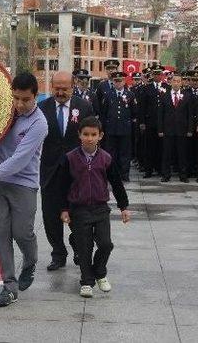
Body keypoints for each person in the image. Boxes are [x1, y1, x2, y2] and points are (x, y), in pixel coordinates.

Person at [0, 72, 48, 307]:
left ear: (36, 95)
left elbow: (20, 159)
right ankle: (9, 285)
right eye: (15, 98)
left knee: (22, 232)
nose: (20, 104)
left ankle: (30, 261)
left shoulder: (39, 123)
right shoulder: (2, 112)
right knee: (0, 233)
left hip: (23, 184)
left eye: (25, 99)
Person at [59, 116, 131, 298]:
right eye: (85, 134)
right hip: (79, 209)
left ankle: (100, 272)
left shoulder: (106, 158)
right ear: (79, 135)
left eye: (93, 134)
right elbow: (62, 185)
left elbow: (116, 183)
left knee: (106, 244)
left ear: (101, 136)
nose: (89, 138)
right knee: (85, 247)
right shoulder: (70, 158)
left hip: (100, 209)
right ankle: (87, 281)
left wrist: (124, 207)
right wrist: (64, 209)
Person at [39, 71, 93, 271]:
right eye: (57, 88)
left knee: (78, 214)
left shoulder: (84, 107)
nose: (60, 92)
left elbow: (91, 136)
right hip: (50, 170)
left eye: (65, 88)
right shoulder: (42, 108)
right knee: (50, 215)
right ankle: (58, 253)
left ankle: (79, 247)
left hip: (76, 171)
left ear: (73, 86)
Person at [157, 74, 194, 182]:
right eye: (174, 81)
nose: (176, 83)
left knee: (182, 154)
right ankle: (166, 175)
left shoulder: (187, 96)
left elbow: (190, 114)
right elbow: (160, 114)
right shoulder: (164, 95)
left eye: (178, 81)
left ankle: (183, 175)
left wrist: (190, 129)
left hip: (182, 130)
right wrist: (160, 129)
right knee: (167, 154)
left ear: (181, 83)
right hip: (168, 130)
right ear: (171, 82)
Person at [100, 71, 136, 181]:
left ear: (124, 81)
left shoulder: (130, 95)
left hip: (125, 129)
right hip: (111, 129)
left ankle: (125, 174)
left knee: (125, 152)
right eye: (115, 81)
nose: (118, 83)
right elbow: (104, 113)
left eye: (120, 81)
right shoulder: (108, 95)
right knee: (111, 153)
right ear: (113, 82)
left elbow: (134, 112)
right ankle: (112, 174)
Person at [138, 64, 165, 178]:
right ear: (152, 75)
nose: (158, 76)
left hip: (163, 123)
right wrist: (142, 122)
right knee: (149, 147)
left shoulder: (166, 87)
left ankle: (159, 169)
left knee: (162, 147)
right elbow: (142, 107)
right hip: (150, 122)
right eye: (155, 74)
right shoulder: (146, 88)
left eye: (159, 74)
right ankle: (148, 170)